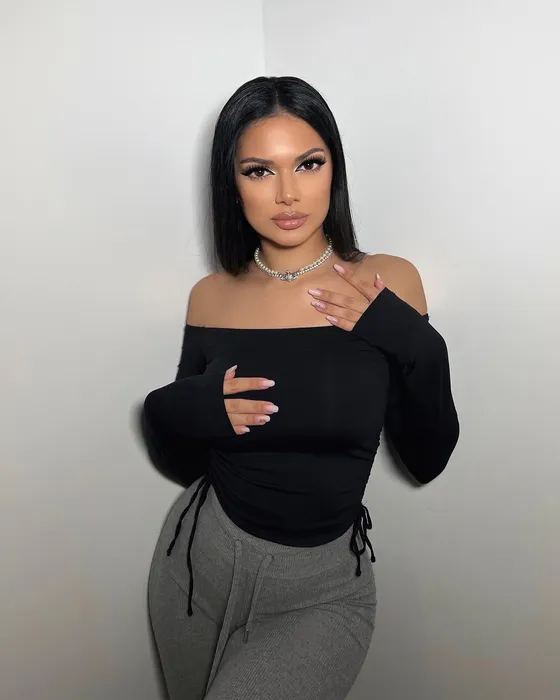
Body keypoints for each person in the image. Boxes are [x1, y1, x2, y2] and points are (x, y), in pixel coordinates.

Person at [143, 75, 460, 700]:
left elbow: (427, 459)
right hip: (196, 568)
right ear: (232, 183)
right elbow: (181, 457)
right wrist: (176, 408)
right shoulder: (211, 296)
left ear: (333, 169)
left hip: (322, 590)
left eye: (308, 164)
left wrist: (415, 341)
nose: (287, 194)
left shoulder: (388, 281)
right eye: (259, 171)